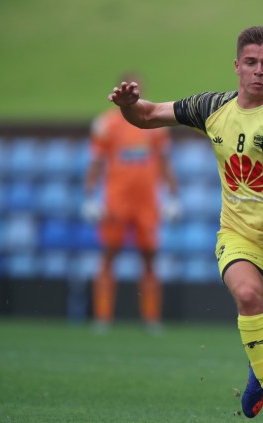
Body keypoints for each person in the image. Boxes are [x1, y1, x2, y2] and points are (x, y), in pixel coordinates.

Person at [107, 26, 263, 423]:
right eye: (251, 63)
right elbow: (147, 115)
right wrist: (128, 106)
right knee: (246, 294)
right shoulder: (213, 107)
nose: (259, 71)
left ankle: (260, 376)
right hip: (239, 235)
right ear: (237, 65)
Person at [83, 71, 181, 333]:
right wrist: (90, 196)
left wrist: (172, 196)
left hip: (147, 202)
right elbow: (96, 162)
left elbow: (164, 162)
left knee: (149, 257)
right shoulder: (106, 124)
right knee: (108, 255)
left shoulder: (152, 122)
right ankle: (102, 318)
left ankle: (151, 319)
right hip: (116, 201)